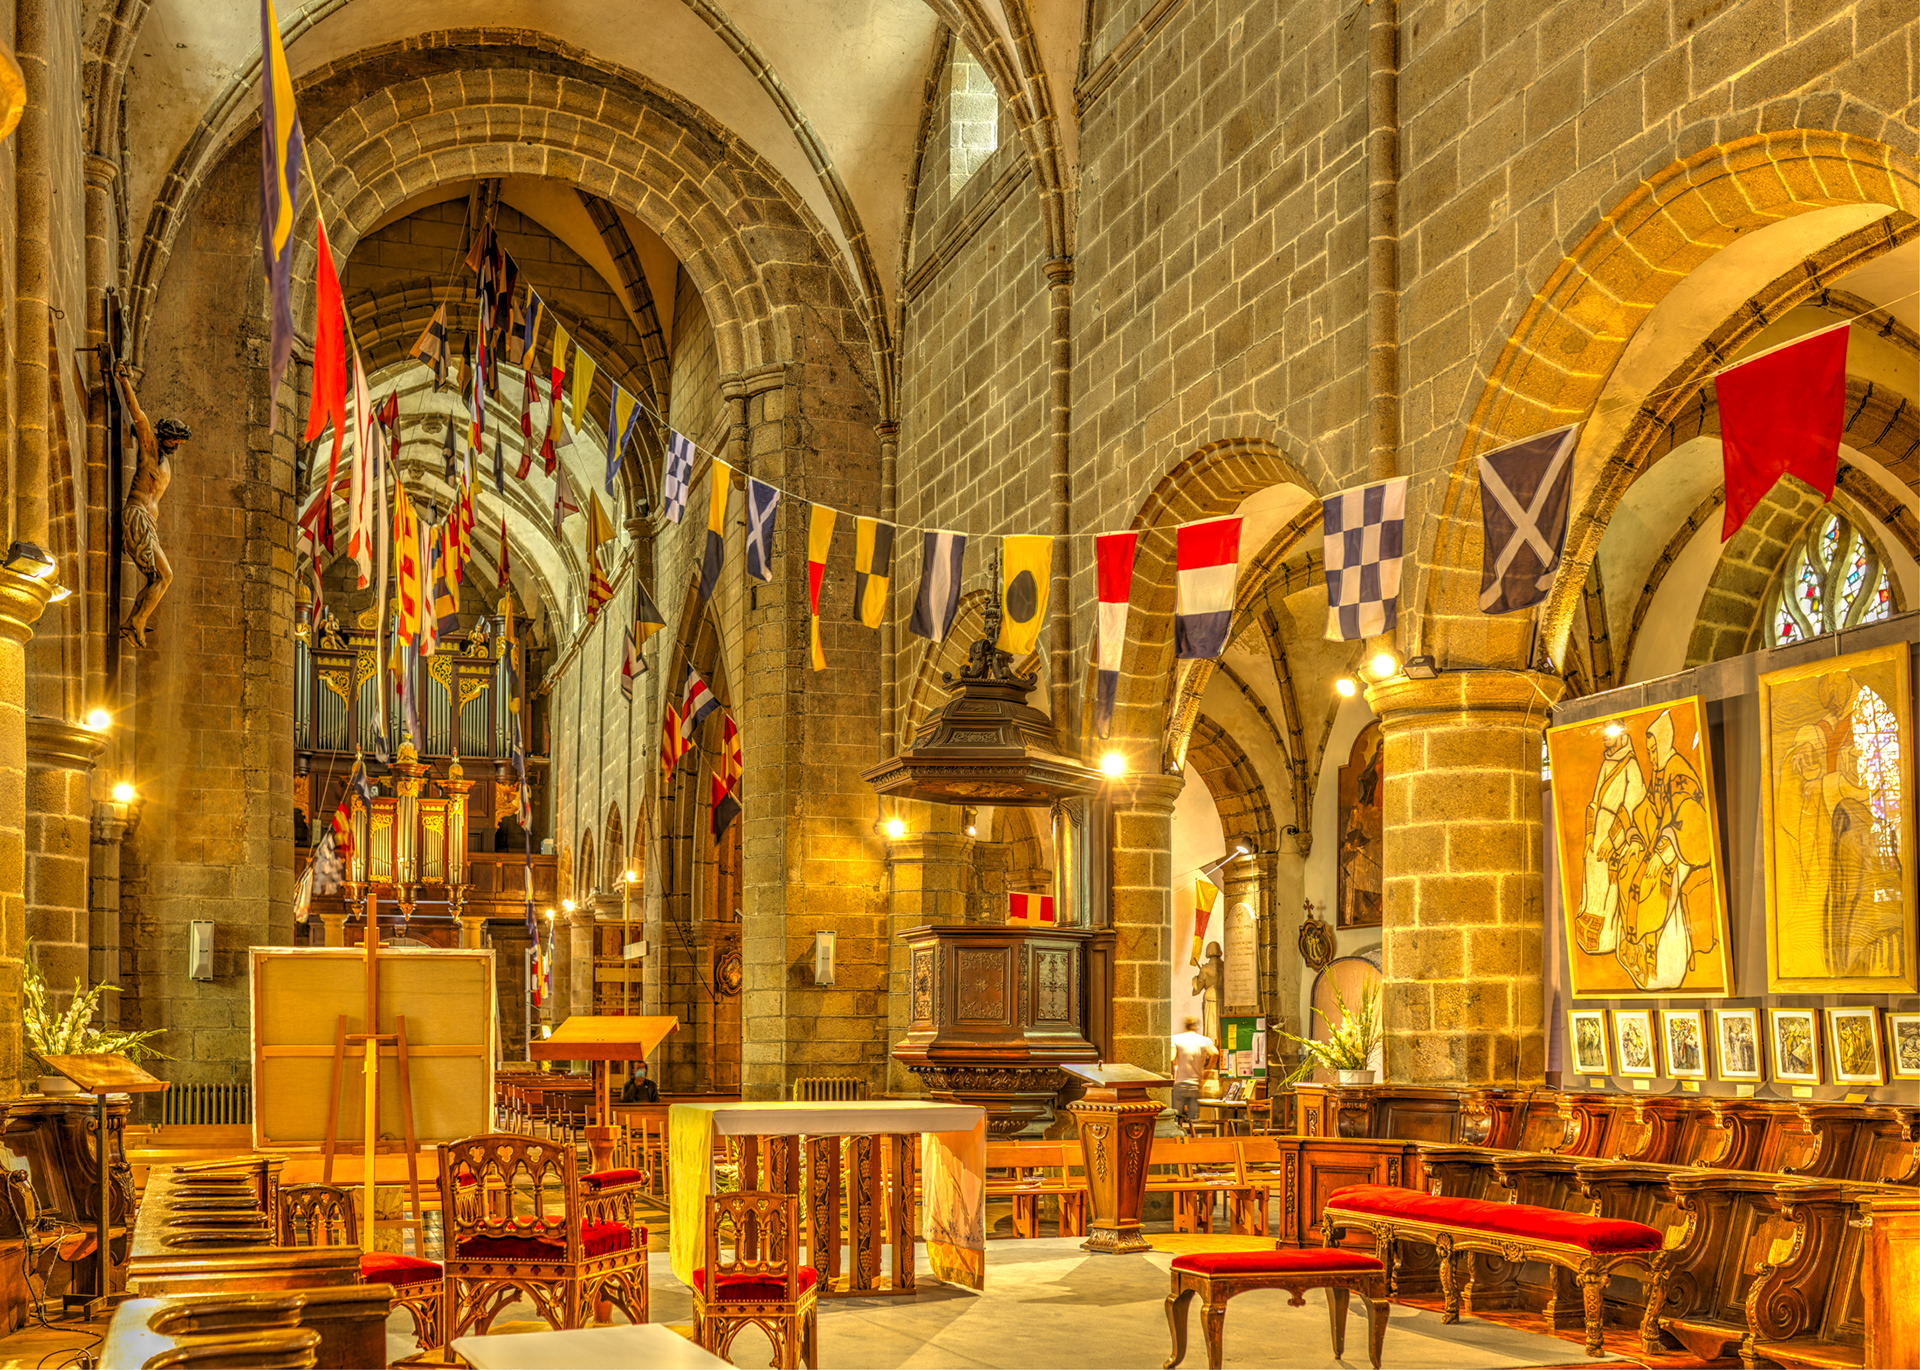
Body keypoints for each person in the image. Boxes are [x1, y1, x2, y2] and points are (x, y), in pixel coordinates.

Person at [115, 360, 190, 649]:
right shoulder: (149, 447)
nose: (177, 446)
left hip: (148, 524)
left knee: (158, 578)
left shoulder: (166, 461)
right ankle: (136, 621)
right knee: (166, 575)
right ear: (167, 436)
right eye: (176, 441)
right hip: (137, 516)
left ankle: (135, 620)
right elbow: (139, 416)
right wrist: (124, 382)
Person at [1169, 1017, 1217, 1123]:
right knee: (1193, 1119)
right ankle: (1192, 1138)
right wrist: (1206, 1073)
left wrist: (1172, 1073)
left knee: (1177, 1117)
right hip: (1195, 1084)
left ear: (1185, 1026)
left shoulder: (1176, 1039)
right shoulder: (1205, 1040)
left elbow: (1172, 1058)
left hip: (1179, 1082)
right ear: (1198, 1027)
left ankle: (1178, 1139)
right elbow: (1215, 1053)